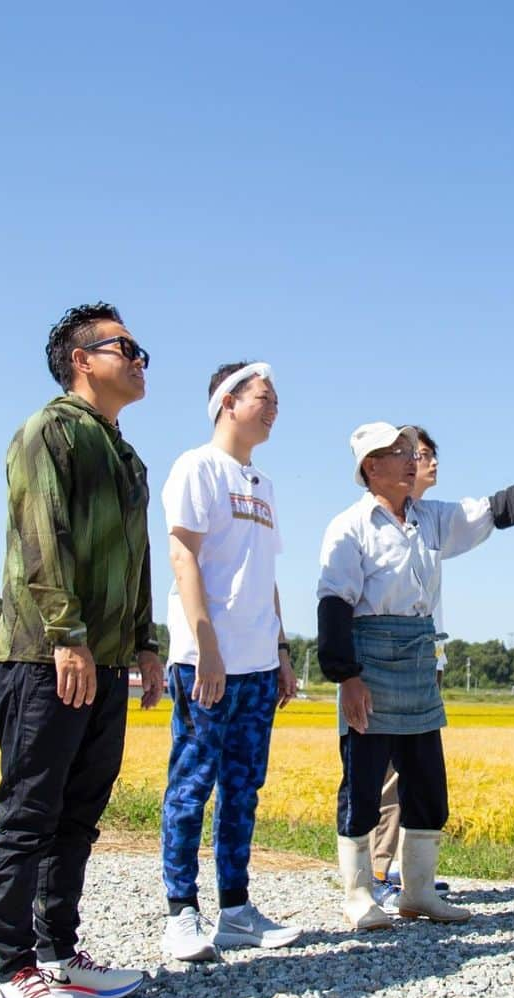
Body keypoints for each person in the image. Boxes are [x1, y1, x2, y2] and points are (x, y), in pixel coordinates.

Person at [318, 423, 514, 930]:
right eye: (397, 453)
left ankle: (419, 893)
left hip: (418, 658)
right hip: (369, 658)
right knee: (362, 780)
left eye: (412, 451)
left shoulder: (430, 518)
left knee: (427, 781)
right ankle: (359, 893)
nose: (410, 460)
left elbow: (494, 510)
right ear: (370, 467)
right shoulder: (350, 526)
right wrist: (346, 677)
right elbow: (334, 603)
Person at [0, 303, 162, 998]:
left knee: (79, 813)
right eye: (127, 346)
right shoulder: (49, 431)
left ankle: (60, 953)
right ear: (82, 359)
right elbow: (40, 537)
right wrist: (68, 634)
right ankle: (12, 968)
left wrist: (145, 645)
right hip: (44, 655)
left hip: (107, 659)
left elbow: (138, 560)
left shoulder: (127, 456)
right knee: (29, 813)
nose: (141, 358)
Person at [159, 362, 301, 961]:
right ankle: (180, 912)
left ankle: (236, 910)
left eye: (275, 400)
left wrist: (282, 651)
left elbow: (265, 574)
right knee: (192, 786)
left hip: (256, 666)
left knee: (243, 788)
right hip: (205, 662)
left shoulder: (263, 484)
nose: (273, 408)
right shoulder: (196, 466)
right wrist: (207, 645)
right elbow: (182, 555)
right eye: (263, 398)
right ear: (226, 401)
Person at [370, 428, 450, 913]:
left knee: (411, 774)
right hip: (384, 662)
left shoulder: (429, 522)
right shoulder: (377, 522)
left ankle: (403, 874)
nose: (431, 462)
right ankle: (375, 871)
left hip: (426, 658)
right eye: (421, 455)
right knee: (380, 772)